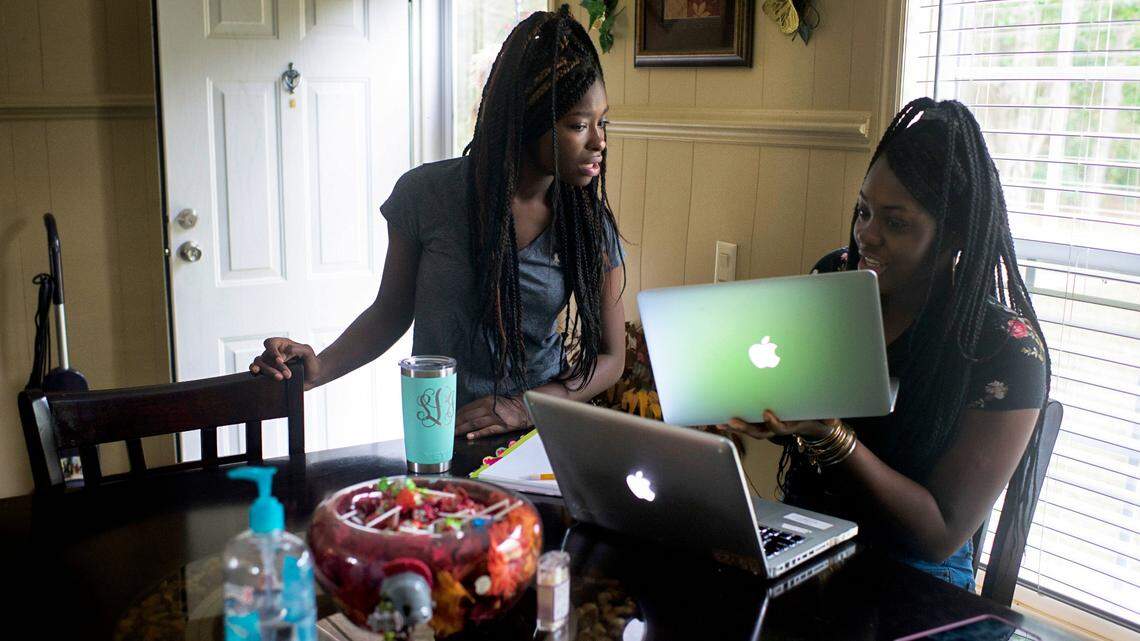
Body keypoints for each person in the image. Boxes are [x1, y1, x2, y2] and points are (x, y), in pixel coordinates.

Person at [718, 98, 1049, 590]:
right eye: (863, 211)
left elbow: (938, 534)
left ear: (952, 234)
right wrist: (760, 413)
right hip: (809, 535)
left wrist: (830, 433)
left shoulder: (1006, 352)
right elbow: (801, 418)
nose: (867, 236)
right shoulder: (837, 278)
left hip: (914, 574)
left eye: (895, 223)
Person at [250, 7, 626, 440]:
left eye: (603, 122)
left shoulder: (587, 224)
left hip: (541, 435)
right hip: (440, 430)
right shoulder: (426, 195)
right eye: (579, 125)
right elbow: (391, 311)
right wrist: (318, 369)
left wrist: (526, 407)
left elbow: (611, 358)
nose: (599, 141)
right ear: (527, 121)